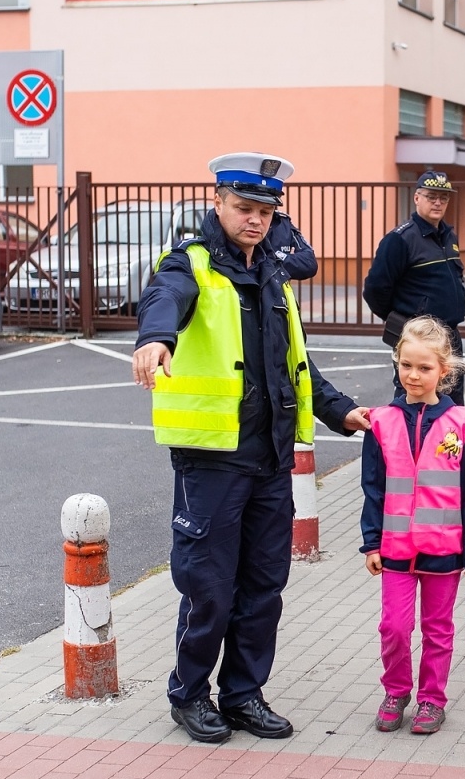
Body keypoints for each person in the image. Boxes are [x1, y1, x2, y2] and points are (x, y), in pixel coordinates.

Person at [133, 153, 372, 745]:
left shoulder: (271, 273)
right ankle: (189, 694)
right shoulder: (189, 264)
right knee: (209, 585)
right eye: (244, 208)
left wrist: (340, 410)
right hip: (212, 458)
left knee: (263, 584)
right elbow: (163, 299)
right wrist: (155, 338)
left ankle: (243, 694)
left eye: (266, 211)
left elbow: (293, 362)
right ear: (218, 202)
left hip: (270, 456)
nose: (256, 220)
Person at [361, 317, 465, 735]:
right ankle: (396, 691)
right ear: (396, 364)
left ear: (444, 371)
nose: (414, 376)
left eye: (425, 368)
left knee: (438, 629)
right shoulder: (380, 421)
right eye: (406, 366)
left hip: (444, 549)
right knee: (394, 627)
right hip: (395, 548)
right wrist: (370, 543)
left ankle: (432, 699)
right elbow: (373, 488)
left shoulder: (461, 423)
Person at [364, 169, 465, 403]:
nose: (438, 203)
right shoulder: (400, 239)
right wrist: (406, 320)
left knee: (452, 402)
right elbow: (374, 289)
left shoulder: (448, 236)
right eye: (432, 197)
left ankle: (450, 442)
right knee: (415, 400)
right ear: (417, 198)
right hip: (419, 339)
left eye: (443, 198)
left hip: (449, 335)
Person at [264, 211, 317, 281]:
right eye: (246, 209)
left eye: (265, 212)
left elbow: (309, 264)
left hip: (278, 291)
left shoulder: (283, 222)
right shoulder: (249, 224)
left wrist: (275, 258)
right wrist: (287, 259)